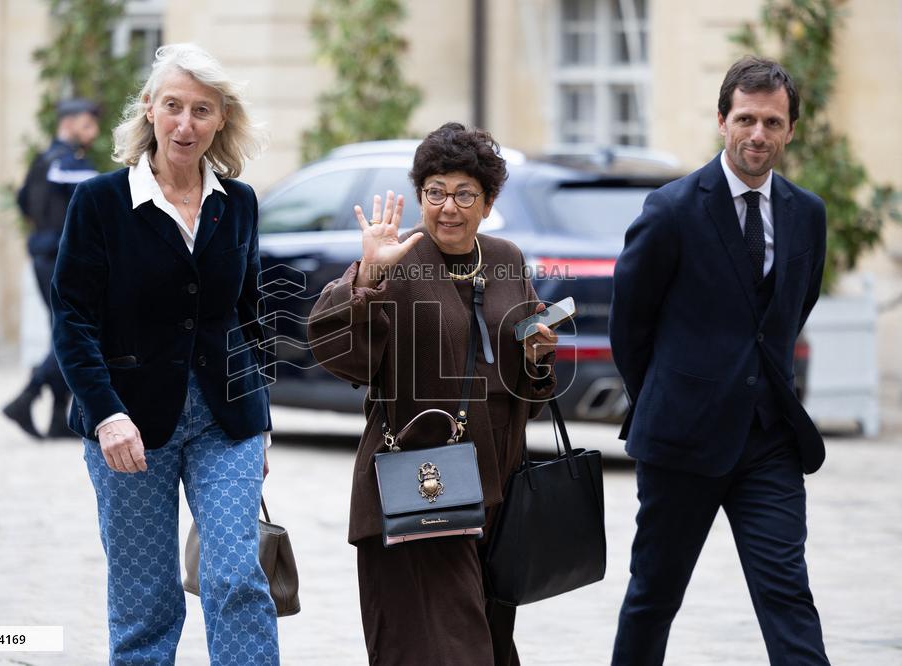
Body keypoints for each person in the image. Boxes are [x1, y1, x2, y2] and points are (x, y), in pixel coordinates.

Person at [50, 43, 278, 664]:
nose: (185, 124)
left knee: (235, 577)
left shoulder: (241, 203)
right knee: (145, 602)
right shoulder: (99, 203)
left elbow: (249, 316)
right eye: (172, 106)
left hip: (225, 422)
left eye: (201, 110)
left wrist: (262, 424)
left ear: (220, 119)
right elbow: (71, 320)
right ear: (149, 109)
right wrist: (105, 413)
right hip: (126, 427)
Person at [307, 122, 558, 665]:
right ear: (420, 195)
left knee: (487, 643)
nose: (449, 206)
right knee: (447, 649)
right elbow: (335, 351)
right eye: (435, 191)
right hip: (419, 488)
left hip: (495, 494)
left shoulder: (507, 260)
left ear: (488, 202)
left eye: (465, 193)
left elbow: (528, 396)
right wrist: (368, 273)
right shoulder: (399, 261)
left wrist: (538, 359)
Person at [609, 56, 829, 665]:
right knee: (655, 595)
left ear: (790, 130)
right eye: (746, 119)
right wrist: (669, 396)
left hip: (769, 439)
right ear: (722, 121)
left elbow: (789, 310)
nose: (758, 134)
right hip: (682, 438)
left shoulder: (807, 213)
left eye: (773, 122)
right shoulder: (672, 209)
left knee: (788, 592)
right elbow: (631, 324)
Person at [3, 98, 100, 439]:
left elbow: (23, 201)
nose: (94, 132)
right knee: (75, 332)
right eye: (89, 124)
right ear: (70, 123)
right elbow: (98, 201)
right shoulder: (70, 163)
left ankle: (59, 417)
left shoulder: (41, 160)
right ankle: (27, 396)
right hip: (62, 258)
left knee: (64, 329)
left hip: (43, 256)